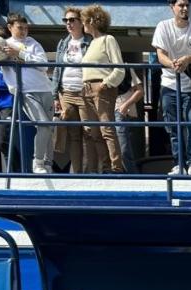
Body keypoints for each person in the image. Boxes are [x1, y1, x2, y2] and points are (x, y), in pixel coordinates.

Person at [153, 0, 191, 175]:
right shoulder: (163, 26)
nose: (185, 8)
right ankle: (178, 163)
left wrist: (187, 60)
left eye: (187, 5)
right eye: (181, 5)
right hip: (169, 84)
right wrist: (173, 64)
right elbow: (160, 54)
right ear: (172, 7)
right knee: (172, 125)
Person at [0, 13, 55, 175]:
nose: (23, 31)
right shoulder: (4, 44)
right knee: (43, 125)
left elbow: (44, 65)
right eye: (19, 28)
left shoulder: (33, 42)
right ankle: (37, 163)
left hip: (45, 89)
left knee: (48, 129)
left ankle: (47, 164)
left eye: (26, 28)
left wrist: (20, 54)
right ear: (10, 28)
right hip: (25, 92)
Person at [76, 5, 125, 174]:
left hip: (101, 87)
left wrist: (105, 84)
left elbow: (119, 68)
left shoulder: (108, 39)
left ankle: (116, 167)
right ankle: (105, 167)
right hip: (87, 88)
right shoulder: (91, 43)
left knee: (106, 129)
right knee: (94, 132)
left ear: (91, 21)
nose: (82, 24)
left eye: (84, 21)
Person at [53, 9, 93, 174]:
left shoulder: (90, 42)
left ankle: (91, 171)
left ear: (81, 22)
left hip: (84, 92)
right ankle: (76, 173)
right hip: (66, 93)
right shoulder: (63, 43)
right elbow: (57, 69)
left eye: (72, 20)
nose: (68, 23)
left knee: (89, 133)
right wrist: (55, 94)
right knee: (74, 135)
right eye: (65, 20)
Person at [114, 68, 145, 173]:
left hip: (119, 110)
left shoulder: (125, 67)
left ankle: (132, 177)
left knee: (123, 148)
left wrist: (124, 106)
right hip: (105, 110)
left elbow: (140, 91)